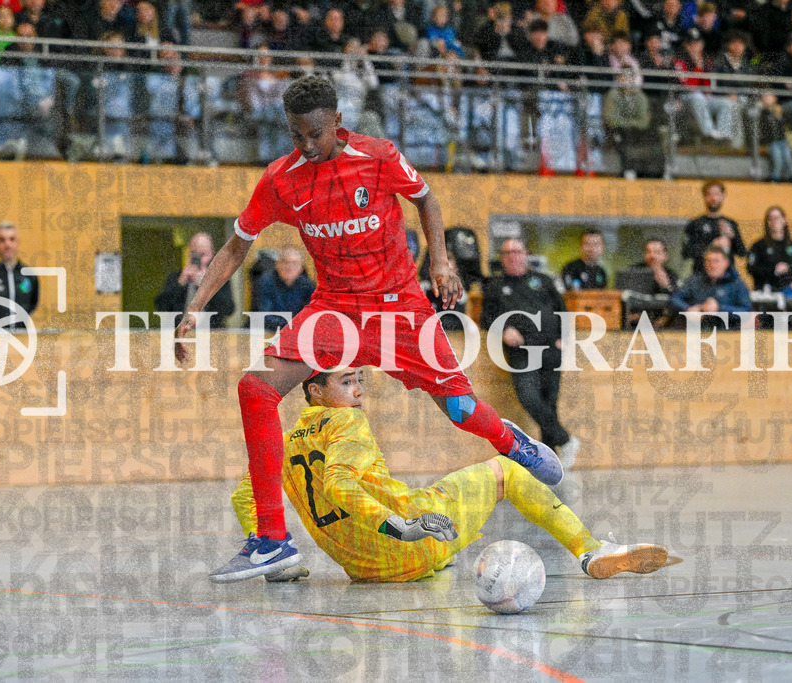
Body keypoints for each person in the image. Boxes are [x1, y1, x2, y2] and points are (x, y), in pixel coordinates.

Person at [173, 75, 562, 582]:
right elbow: (235, 247)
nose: (307, 146)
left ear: (338, 122)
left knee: (462, 410)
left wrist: (440, 262)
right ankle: (272, 539)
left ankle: (513, 444)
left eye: (316, 134)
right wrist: (193, 307)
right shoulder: (280, 179)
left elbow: (426, 199)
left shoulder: (377, 156)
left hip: (401, 305)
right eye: (296, 136)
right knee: (254, 388)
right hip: (335, 309)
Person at [226, 366, 668, 583]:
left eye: (360, 379)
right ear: (314, 392)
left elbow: (246, 497)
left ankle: (440, 555)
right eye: (346, 382)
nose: (358, 390)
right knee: (507, 473)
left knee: (430, 519)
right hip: (406, 542)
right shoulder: (347, 422)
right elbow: (340, 486)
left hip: (361, 569)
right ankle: (589, 551)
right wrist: (401, 527)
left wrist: (279, 564)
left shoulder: (280, 443)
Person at [482, 239, 581, 465]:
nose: (512, 256)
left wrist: (562, 340)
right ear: (502, 257)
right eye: (506, 253)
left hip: (550, 349)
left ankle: (551, 460)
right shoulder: (495, 286)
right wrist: (504, 329)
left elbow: (562, 311)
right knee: (528, 396)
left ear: (525, 254)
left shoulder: (543, 281)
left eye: (516, 251)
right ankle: (565, 439)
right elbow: (486, 317)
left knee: (549, 402)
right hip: (521, 351)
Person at [155, 232, 235, 329]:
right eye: (194, 254)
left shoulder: (220, 278)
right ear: (189, 252)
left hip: (211, 336)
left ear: (212, 254)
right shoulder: (175, 278)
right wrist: (181, 283)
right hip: (180, 335)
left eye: (203, 254)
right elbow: (161, 306)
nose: (198, 259)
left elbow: (229, 310)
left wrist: (207, 287)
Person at [670, 246, 752, 330]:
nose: (712, 265)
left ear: (726, 263)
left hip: (726, 334)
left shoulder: (736, 283)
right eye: (708, 261)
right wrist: (688, 309)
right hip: (696, 331)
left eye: (716, 261)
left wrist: (719, 308)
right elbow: (674, 298)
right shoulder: (694, 281)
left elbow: (746, 312)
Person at [682, 180, 747, 275]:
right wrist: (712, 245)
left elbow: (742, 252)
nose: (713, 198)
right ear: (704, 197)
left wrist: (733, 237)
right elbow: (686, 253)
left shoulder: (731, 223)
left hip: (727, 277)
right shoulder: (695, 224)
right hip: (701, 276)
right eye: (709, 194)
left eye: (717, 194)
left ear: (723, 196)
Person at [746, 206, 792, 297]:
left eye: (777, 218)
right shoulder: (759, 245)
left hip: (788, 290)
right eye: (770, 219)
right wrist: (774, 270)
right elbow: (751, 268)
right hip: (765, 290)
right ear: (767, 223)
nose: (774, 221)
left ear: (785, 220)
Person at [253, 247, 315, 333]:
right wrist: (293, 325)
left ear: (301, 267)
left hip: (296, 332)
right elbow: (265, 317)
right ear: (277, 264)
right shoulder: (265, 281)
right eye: (285, 262)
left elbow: (309, 315)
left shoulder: (307, 285)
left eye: (295, 263)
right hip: (266, 332)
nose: (289, 267)